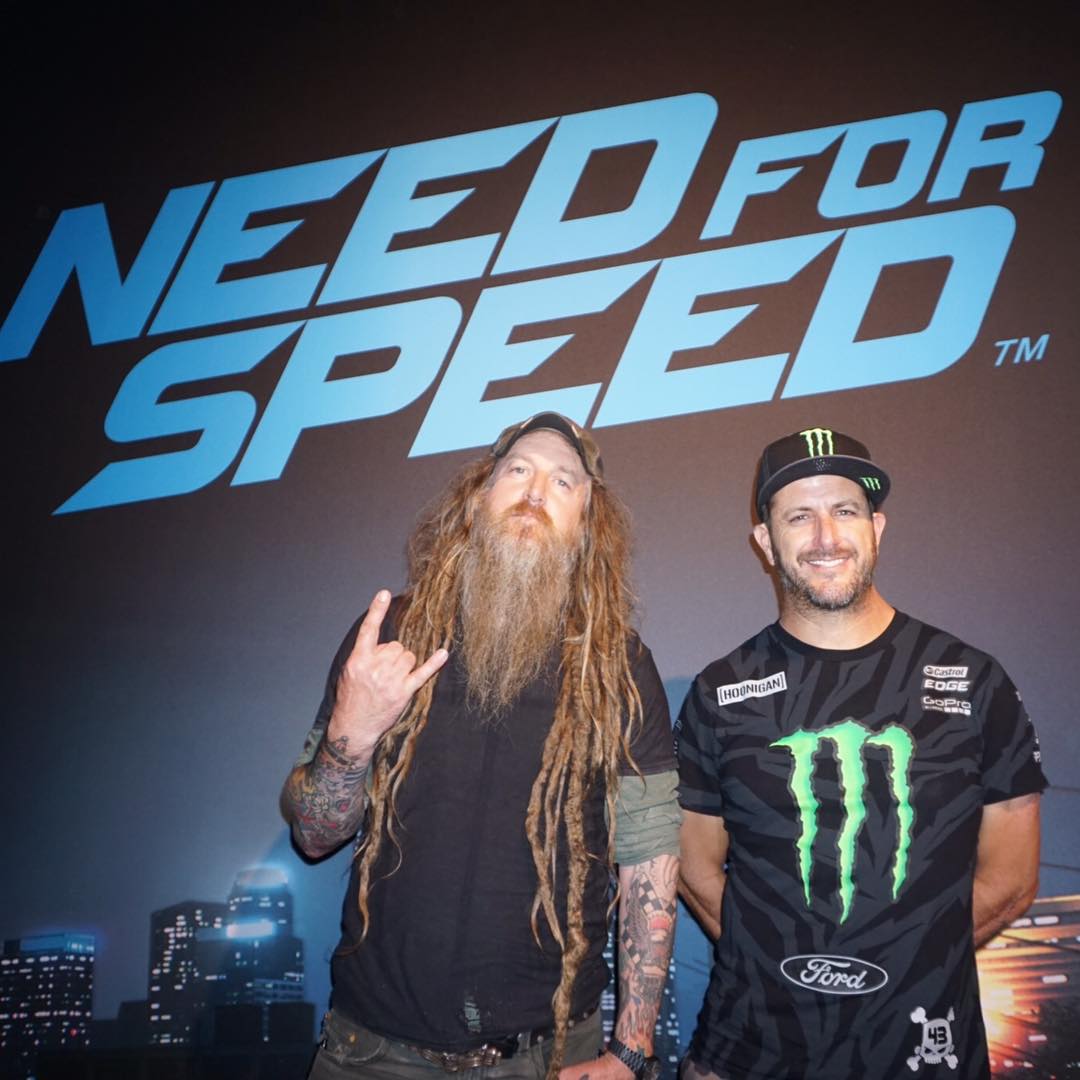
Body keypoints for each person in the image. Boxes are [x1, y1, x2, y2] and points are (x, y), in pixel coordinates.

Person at [282, 413, 679, 1080]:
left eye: (563, 481)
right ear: (478, 499)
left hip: (548, 1058)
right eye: (518, 470)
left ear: (587, 525)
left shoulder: (619, 666)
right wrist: (352, 731)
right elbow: (315, 836)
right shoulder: (393, 637)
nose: (535, 492)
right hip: (371, 1054)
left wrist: (633, 1048)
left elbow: (650, 862)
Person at [676, 427, 1046, 1080]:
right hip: (751, 1056)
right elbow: (692, 864)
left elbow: (1012, 879)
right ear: (765, 541)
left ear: (876, 527)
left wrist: (903, 966)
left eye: (844, 510)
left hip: (927, 1057)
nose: (826, 537)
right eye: (799, 516)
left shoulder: (974, 680)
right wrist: (778, 966)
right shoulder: (720, 693)